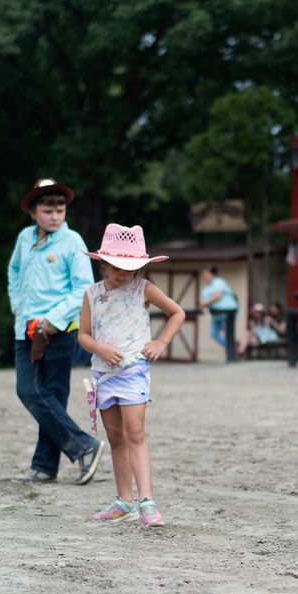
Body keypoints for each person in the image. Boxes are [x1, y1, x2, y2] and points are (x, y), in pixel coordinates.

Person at [78, 223, 185, 527]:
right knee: (115, 438)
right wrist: (99, 347)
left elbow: (177, 313)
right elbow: (83, 336)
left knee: (135, 432)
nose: (121, 273)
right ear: (103, 263)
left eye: (128, 267)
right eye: (114, 266)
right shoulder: (92, 294)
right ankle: (123, 500)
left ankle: (146, 500)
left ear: (139, 266)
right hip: (103, 373)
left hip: (134, 370)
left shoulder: (144, 289)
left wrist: (161, 341)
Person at [8, 178, 106, 485]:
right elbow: (14, 272)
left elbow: (82, 289)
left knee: (53, 396)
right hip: (25, 327)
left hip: (60, 331)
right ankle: (83, 446)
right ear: (33, 212)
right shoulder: (25, 238)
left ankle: (44, 466)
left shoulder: (73, 241)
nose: (54, 216)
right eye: (47, 210)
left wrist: (54, 319)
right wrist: (15, 303)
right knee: (29, 390)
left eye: (59, 210)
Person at [199, 265, 238, 354]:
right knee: (214, 334)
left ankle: (231, 352)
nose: (205, 277)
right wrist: (204, 306)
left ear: (212, 274)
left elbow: (218, 295)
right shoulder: (205, 288)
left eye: (206, 274)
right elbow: (203, 302)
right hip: (216, 314)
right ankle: (233, 349)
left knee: (226, 334)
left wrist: (206, 303)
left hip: (227, 312)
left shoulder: (218, 282)